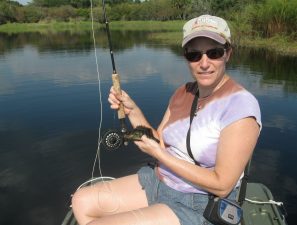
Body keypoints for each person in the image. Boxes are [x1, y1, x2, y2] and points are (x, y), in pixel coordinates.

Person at [71, 14, 261, 225]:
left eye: (214, 53)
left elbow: (222, 184)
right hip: (159, 180)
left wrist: (160, 154)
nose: (204, 63)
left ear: (228, 54)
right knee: (81, 201)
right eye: (194, 55)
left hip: (200, 202)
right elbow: (158, 140)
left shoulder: (240, 106)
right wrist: (133, 110)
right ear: (186, 56)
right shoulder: (183, 92)